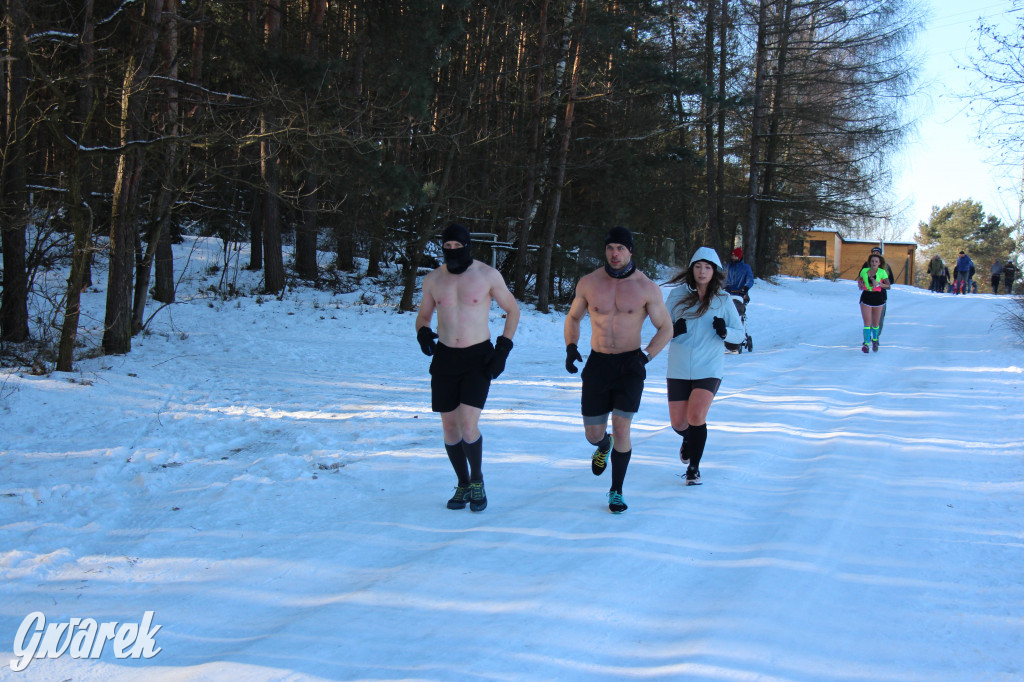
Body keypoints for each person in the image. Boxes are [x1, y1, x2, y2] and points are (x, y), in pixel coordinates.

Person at [564, 226, 672, 513]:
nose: (615, 254)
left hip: (630, 365)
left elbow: (666, 328)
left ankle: (616, 491)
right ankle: (603, 445)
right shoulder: (589, 283)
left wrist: (646, 357)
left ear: (630, 251)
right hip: (598, 364)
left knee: (622, 427)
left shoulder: (646, 288)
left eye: (620, 248)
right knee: (593, 433)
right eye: (610, 248)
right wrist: (571, 346)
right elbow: (573, 317)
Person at [415, 223, 521, 512]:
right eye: (446, 247)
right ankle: (462, 483)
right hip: (446, 358)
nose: (452, 252)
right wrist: (423, 332)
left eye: (457, 246)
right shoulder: (434, 279)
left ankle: (477, 479)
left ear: (468, 246)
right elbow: (423, 316)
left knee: (467, 424)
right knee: (450, 428)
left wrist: (503, 349)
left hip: (478, 358)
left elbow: (513, 310)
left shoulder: (487, 275)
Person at [664, 247, 745, 486]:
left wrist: (725, 331)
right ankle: (688, 438)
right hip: (678, 366)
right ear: (691, 269)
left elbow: (740, 335)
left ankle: (693, 469)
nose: (702, 271)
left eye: (707, 267)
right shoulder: (677, 295)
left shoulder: (723, 299)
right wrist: (672, 330)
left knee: (696, 415)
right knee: (679, 423)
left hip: (709, 367)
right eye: (698, 266)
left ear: (715, 271)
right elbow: (660, 326)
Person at [858, 251, 890, 353]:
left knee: (875, 324)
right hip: (866, 297)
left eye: (876, 261)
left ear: (879, 263)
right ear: (869, 262)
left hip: (878, 298)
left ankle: (875, 340)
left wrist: (879, 284)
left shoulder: (882, 272)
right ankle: (866, 344)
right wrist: (860, 284)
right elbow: (859, 279)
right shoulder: (864, 271)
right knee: (867, 323)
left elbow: (888, 286)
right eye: (872, 261)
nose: (874, 263)